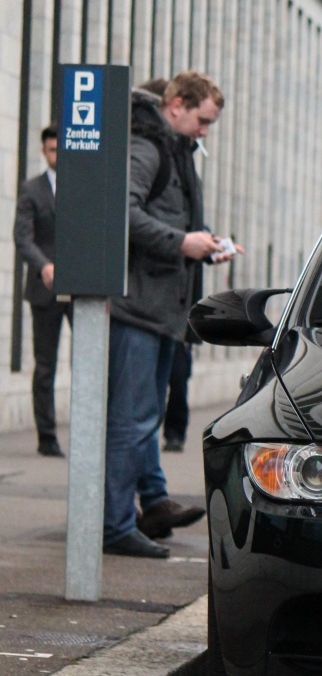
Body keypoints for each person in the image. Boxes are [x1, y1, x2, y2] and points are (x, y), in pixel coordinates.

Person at [103, 73, 232, 558]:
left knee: (141, 420)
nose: (204, 132)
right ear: (176, 105)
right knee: (131, 422)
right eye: (202, 120)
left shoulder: (169, 148)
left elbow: (168, 217)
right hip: (140, 307)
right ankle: (115, 527)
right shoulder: (150, 148)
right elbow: (121, 211)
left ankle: (129, 517)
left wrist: (206, 243)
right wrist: (183, 242)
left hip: (156, 308)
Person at [14, 125, 71, 457]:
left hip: (81, 291)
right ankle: (46, 436)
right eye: (52, 150)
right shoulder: (31, 190)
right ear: (43, 151)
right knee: (45, 364)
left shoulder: (82, 186)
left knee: (96, 359)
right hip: (44, 288)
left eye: (61, 149)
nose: (57, 156)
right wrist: (44, 265)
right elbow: (23, 237)